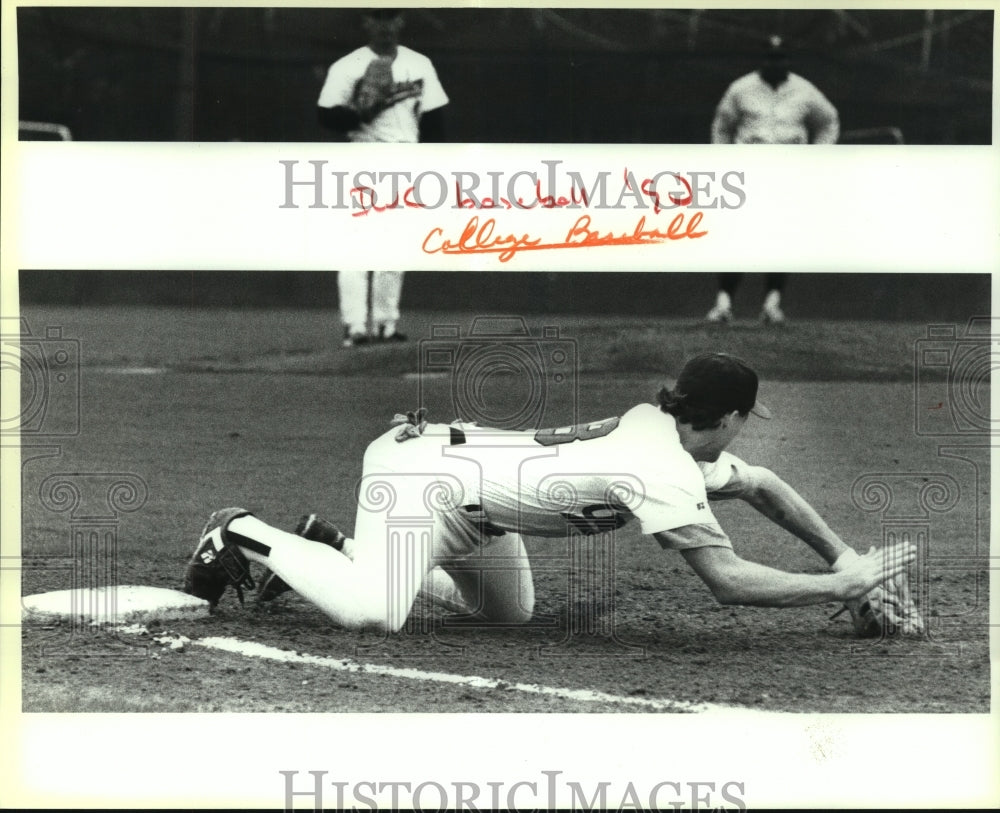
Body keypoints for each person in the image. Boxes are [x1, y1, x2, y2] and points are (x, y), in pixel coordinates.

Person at [184, 352, 915, 634]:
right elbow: (726, 582)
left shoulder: (662, 432)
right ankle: (240, 531)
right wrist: (836, 584)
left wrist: (844, 556)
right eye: (745, 419)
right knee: (375, 614)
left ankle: (335, 546)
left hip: (477, 503)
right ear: (724, 417)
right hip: (417, 480)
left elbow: (761, 485)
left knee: (508, 614)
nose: (746, 433)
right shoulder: (656, 462)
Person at [316, 8, 449, 347]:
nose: (385, 24)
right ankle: (355, 326)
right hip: (362, 155)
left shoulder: (419, 65)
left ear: (400, 21)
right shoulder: (347, 66)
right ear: (366, 22)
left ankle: (386, 325)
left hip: (405, 156)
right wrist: (358, 112)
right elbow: (326, 116)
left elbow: (433, 120)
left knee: (395, 246)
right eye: (378, 16)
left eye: (391, 16)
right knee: (356, 244)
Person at [706, 35, 839, 325]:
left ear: (788, 60)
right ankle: (724, 303)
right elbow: (722, 127)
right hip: (748, 172)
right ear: (762, 59)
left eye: (780, 58)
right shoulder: (741, 89)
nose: (775, 63)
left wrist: (817, 157)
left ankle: (772, 304)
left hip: (787, 174)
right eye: (770, 57)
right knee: (738, 236)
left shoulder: (804, 91)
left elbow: (828, 121)